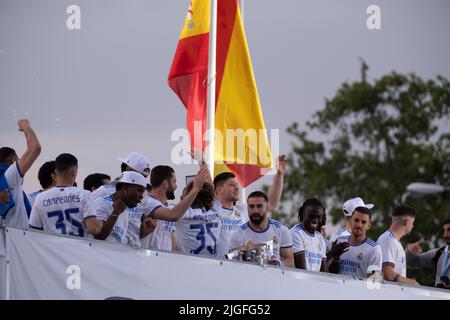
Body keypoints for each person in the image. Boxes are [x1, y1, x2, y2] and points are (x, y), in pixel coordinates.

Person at [215, 155, 288, 258]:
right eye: (232, 184)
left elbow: (270, 204)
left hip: (242, 266)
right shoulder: (212, 211)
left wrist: (280, 174)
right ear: (219, 190)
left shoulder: (244, 209)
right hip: (219, 265)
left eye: (237, 184)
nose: (237, 188)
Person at [29, 153, 102, 237]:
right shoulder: (84, 195)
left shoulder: (40, 198)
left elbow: (33, 231)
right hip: (79, 248)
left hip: (51, 249)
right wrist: (101, 221)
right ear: (73, 172)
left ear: (56, 172)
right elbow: (94, 229)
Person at [229, 191, 294, 267]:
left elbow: (290, 260)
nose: (255, 211)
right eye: (251, 206)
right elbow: (232, 265)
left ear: (267, 207)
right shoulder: (238, 234)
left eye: (259, 206)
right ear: (247, 208)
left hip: (274, 277)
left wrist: (277, 264)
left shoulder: (281, 230)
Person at [94, 171, 154, 246]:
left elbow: (116, 239)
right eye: (139, 191)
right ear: (125, 188)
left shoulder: (124, 211)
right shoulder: (102, 202)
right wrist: (115, 213)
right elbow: (98, 236)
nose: (141, 196)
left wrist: (144, 232)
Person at [0, 119, 41, 228]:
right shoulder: (10, 175)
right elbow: (35, 148)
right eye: (18, 160)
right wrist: (26, 127)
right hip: (15, 238)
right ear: (13, 161)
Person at [329, 206, 382, 279]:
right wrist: (335, 258)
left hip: (358, 290)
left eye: (363, 222)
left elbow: (373, 280)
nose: (359, 225)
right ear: (351, 221)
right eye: (356, 220)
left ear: (368, 226)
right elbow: (329, 274)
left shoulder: (374, 249)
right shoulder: (340, 241)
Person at [175, 180, 223, 257]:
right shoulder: (217, 211)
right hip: (212, 264)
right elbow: (212, 195)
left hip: (188, 264)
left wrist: (195, 189)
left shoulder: (181, 215)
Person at [377, 205, 420, 285]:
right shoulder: (388, 240)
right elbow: (388, 274)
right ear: (406, 221)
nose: (412, 226)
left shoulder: (392, 240)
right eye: (412, 223)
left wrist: (407, 250)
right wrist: (413, 282)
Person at [140, 165, 179, 251]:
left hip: (165, 261)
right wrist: (195, 190)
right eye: (174, 182)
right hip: (146, 260)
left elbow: (174, 244)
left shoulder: (170, 207)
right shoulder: (148, 202)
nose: (176, 186)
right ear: (165, 183)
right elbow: (173, 215)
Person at [405, 217, 450, 289]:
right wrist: (409, 250)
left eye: (449, 230)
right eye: (444, 230)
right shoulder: (438, 253)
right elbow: (412, 261)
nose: (445, 235)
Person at [290, 198, 328, 272]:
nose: (315, 220)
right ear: (303, 214)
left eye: (318, 216)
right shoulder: (296, 233)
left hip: (314, 282)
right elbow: (301, 269)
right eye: (311, 215)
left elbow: (324, 270)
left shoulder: (319, 237)